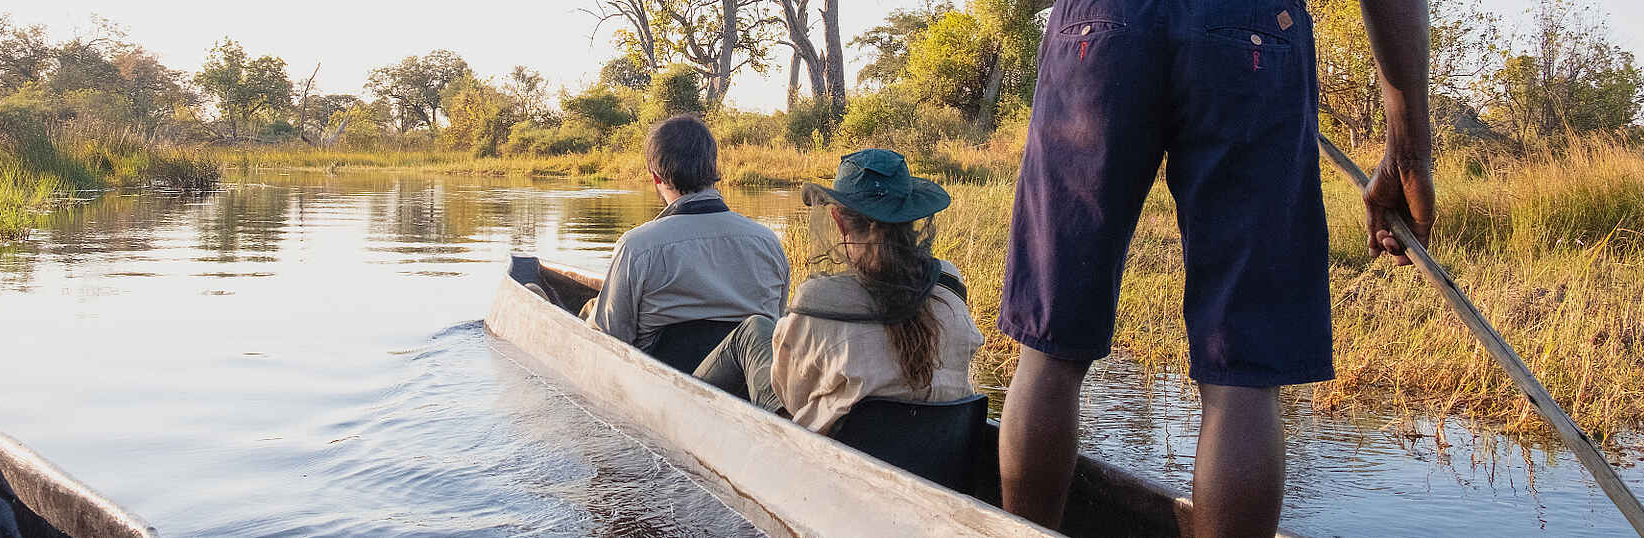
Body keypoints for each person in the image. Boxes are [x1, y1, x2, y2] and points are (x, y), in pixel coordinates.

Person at [995, 0, 1433, 536]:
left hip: (1097, 27)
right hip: (1250, 31)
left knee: (1047, 348)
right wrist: (1409, 153)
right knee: (1242, 376)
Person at [694, 148, 983, 433]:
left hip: (834, 461)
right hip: (937, 450)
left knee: (755, 329)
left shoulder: (818, 302)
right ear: (911, 217)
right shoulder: (948, 282)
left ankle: (682, 404)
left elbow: (791, 398)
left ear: (838, 221)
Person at [585, 114, 790, 361]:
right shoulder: (768, 243)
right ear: (714, 168)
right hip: (747, 392)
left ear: (656, 177)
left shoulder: (637, 247)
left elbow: (606, 342)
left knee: (587, 310)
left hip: (661, 389)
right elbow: (777, 328)